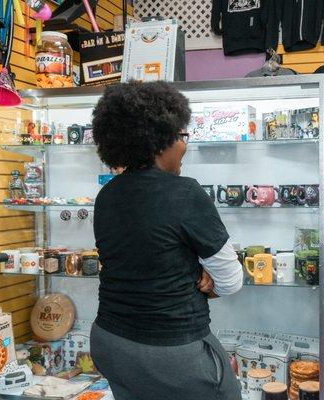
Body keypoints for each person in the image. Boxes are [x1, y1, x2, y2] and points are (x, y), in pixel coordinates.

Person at [90, 81, 243, 400]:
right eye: (181, 136)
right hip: (173, 351)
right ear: (161, 140)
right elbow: (231, 280)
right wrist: (204, 280)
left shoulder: (108, 194)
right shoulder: (185, 191)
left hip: (109, 342)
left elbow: (143, 258)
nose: (184, 146)